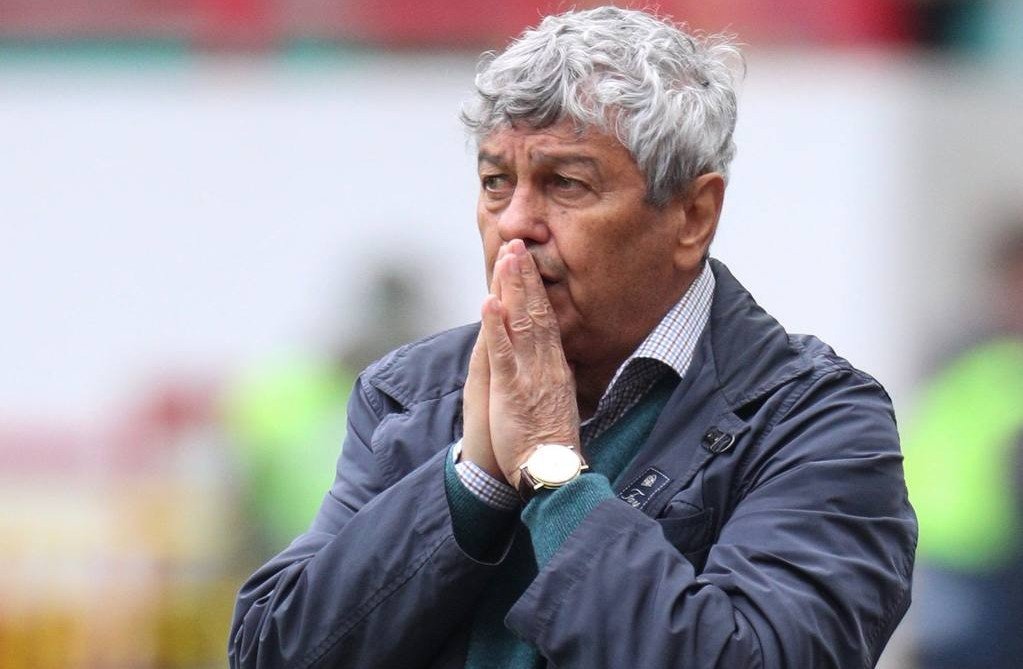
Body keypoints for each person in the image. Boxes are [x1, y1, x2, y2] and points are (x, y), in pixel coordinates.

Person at [229, 7, 917, 668]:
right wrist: (471, 481)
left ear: (692, 215)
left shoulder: (814, 422)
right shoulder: (409, 394)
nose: (514, 222)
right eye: (496, 182)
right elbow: (271, 652)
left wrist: (552, 471)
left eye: (565, 183)